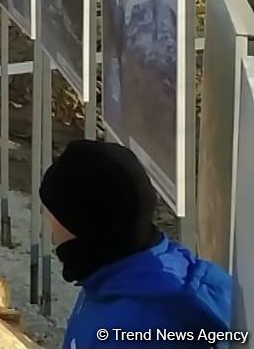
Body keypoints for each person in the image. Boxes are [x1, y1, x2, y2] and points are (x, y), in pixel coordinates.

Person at [41, 139, 232, 348]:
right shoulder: (118, 274)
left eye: (54, 210)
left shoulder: (131, 329)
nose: (48, 217)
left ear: (83, 224)